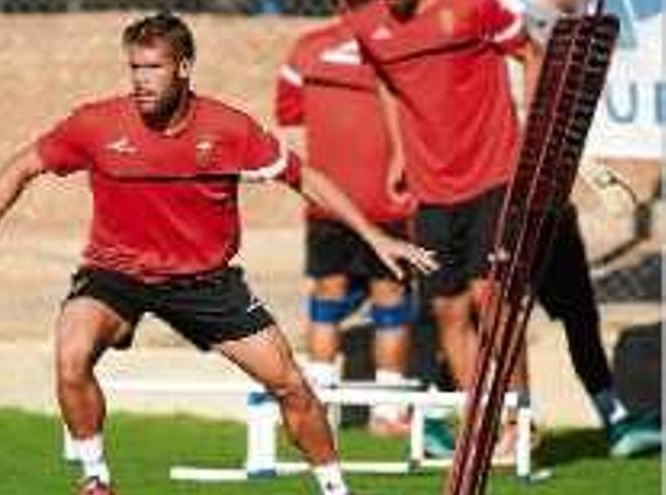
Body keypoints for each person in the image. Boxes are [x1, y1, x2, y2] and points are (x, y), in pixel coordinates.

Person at [0, 12, 438, 495]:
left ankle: (334, 487)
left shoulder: (228, 129)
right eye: (135, 68)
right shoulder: (95, 124)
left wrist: (376, 236)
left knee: (291, 385)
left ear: (183, 68)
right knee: (70, 356)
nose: (141, 80)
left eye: (153, 67)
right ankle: (95, 479)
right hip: (116, 273)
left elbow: (304, 178)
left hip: (205, 281)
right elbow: (22, 166)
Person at [337, 0, 542, 457]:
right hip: (431, 192)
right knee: (448, 309)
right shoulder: (365, 23)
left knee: (493, 301)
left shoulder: (473, 6)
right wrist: (398, 153)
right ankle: (483, 426)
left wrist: (533, 132)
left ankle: (520, 419)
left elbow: (530, 52)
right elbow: (388, 85)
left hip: (495, 173)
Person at [521, 0, 661, 457]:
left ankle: (613, 419)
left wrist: (590, 175)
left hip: (551, 207)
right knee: (488, 318)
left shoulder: (574, 36)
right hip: (500, 207)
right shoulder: (515, 31)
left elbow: (554, 129)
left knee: (580, 316)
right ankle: (499, 422)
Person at [274, 17, 417, 437]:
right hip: (377, 200)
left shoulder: (308, 47)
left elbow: (290, 119)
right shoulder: (398, 43)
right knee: (385, 296)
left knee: (330, 295)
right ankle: (386, 412)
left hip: (335, 201)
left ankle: (331, 408)